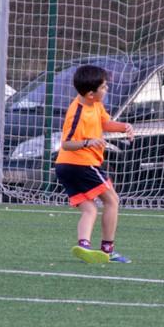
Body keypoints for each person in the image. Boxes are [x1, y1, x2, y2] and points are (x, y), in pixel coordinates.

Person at [54, 64, 135, 263]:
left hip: (66, 167)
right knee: (112, 200)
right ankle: (108, 250)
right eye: (104, 87)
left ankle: (84, 246)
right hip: (80, 164)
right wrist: (88, 142)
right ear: (91, 93)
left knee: (89, 208)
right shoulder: (77, 113)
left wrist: (124, 127)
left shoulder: (95, 104)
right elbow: (66, 143)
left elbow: (104, 123)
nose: (107, 89)